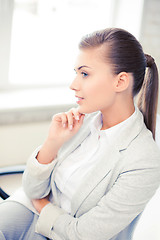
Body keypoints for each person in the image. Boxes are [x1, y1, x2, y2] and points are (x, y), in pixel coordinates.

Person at [0, 27, 160, 240]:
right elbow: (31, 189)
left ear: (120, 81)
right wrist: (52, 143)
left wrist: (43, 206)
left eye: (85, 74)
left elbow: (83, 234)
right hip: (28, 210)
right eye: (76, 73)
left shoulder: (144, 160)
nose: (73, 85)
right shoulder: (81, 121)